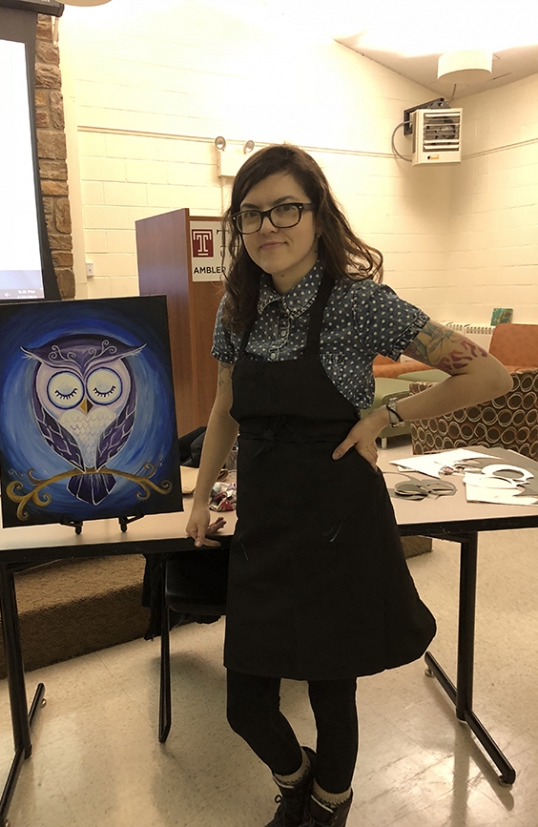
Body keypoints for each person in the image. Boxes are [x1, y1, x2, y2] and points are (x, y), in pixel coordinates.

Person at [185, 143, 512, 827]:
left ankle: (330, 803)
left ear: (317, 214)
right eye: (251, 214)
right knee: (246, 702)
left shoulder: (360, 303)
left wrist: (385, 415)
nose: (267, 226)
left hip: (339, 525)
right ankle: (296, 777)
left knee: (333, 690)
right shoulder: (236, 305)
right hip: (264, 525)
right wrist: (200, 493)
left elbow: (488, 374)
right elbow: (224, 407)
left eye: (285, 208)